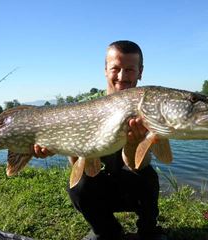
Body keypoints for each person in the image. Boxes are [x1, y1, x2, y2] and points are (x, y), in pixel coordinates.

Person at [33, 40, 167, 240]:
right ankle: (108, 231)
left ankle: (148, 230)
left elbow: (140, 164)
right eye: (116, 69)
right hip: (100, 183)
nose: (122, 76)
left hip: (131, 183)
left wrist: (133, 143)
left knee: (147, 177)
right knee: (78, 187)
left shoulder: (147, 104)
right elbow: (76, 164)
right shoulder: (84, 107)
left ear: (140, 72)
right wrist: (56, 145)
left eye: (130, 69)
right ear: (105, 70)